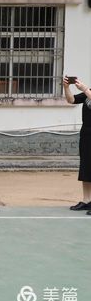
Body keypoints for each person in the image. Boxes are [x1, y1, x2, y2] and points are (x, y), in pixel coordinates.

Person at [64, 75, 91, 213]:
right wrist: (66, 88)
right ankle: (87, 200)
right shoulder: (88, 92)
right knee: (86, 168)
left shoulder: (88, 91)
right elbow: (71, 100)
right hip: (86, 135)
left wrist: (85, 89)